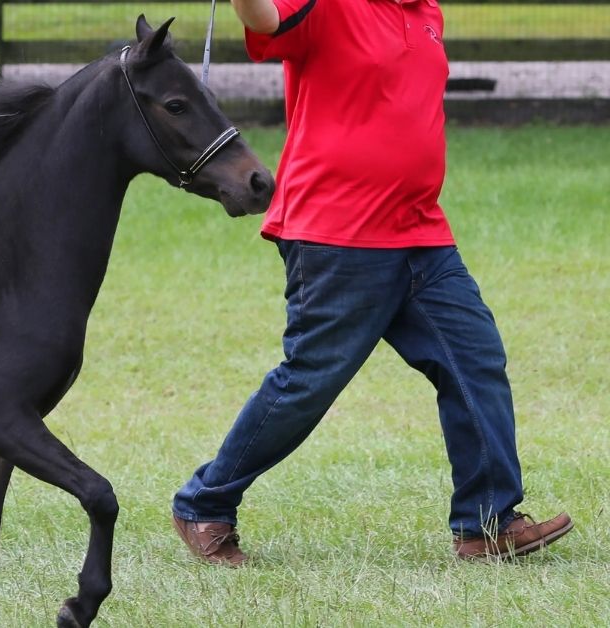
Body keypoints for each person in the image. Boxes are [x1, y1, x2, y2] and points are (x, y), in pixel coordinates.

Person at [170, 0, 573, 565]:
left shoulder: (428, 13)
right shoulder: (330, 6)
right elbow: (262, 17)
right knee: (309, 381)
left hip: (421, 232)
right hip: (337, 233)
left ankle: (486, 524)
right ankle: (203, 502)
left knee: (474, 359)